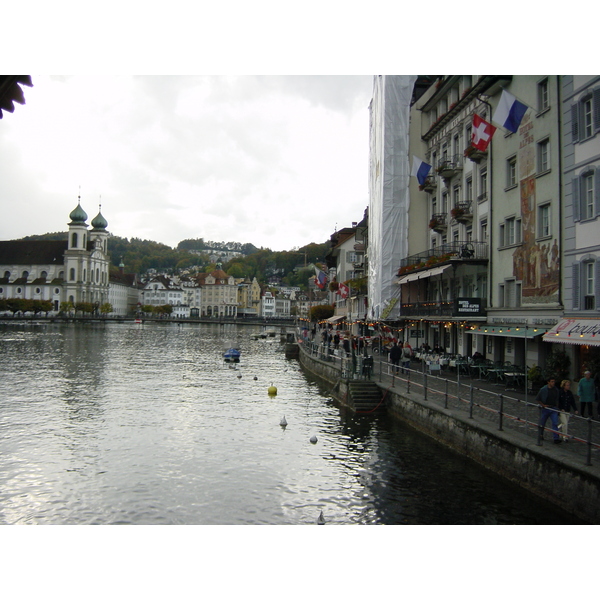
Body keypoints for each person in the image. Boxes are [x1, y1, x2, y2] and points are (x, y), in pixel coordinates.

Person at [536, 376, 561, 444]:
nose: (553, 383)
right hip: (546, 408)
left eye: (554, 382)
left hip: (553, 408)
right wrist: (543, 405)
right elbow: (538, 398)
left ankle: (556, 438)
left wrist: (557, 407)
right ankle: (540, 435)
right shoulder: (543, 389)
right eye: (552, 382)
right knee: (542, 422)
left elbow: (557, 399)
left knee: (555, 423)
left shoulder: (556, 390)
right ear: (548, 382)